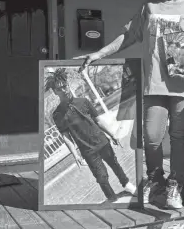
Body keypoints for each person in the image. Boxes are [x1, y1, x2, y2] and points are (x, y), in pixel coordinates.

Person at [75, 0, 184, 209]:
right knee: (152, 137)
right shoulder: (151, 6)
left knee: (179, 137)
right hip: (155, 85)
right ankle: (155, 179)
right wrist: (98, 54)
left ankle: (176, 184)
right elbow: (128, 36)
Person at [46, 69, 137, 203]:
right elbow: (66, 136)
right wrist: (75, 154)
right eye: (60, 89)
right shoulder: (57, 114)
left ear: (68, 85)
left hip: (101, 141)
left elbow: (99, 120)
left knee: (115, 164)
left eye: (65, 86)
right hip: (87, 150)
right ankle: (112, 199)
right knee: (101, 177)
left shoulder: (84, 101)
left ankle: (127, 185)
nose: (64, 90)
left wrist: (113, 135)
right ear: (55, 91)